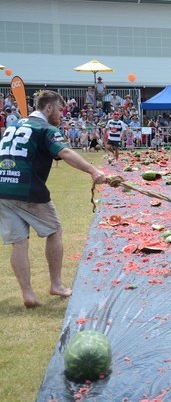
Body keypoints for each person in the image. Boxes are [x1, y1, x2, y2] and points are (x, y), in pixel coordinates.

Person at [0, 90, 107, 308]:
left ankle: (28, 294)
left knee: (19, 242)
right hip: (27, 188)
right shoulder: (46, 129)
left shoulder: (14, 126)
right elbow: (65, 153)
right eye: (59, 110)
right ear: (48, 108)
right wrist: (93, 171)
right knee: (54, 230)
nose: (62, 115)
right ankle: (56, 284)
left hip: (2, 186)